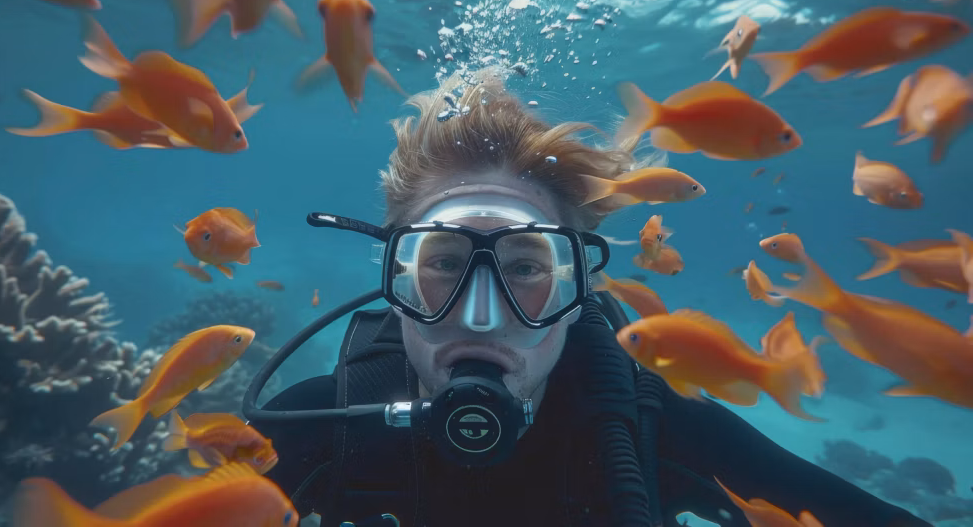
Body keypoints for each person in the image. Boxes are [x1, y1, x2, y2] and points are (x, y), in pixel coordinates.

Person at [250, 67, 932, 527]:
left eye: (525, 268)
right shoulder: (318, 425)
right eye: (446, 262)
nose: (480, 316)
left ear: (576, 291)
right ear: (397, 281)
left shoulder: (646, 425)